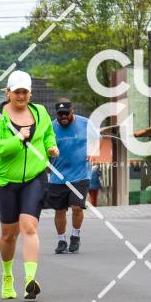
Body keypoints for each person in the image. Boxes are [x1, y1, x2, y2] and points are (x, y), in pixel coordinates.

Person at [0, 70, 58, 300]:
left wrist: (52, 147)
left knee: (29, 226)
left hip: (35, 177)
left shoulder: (40, 112)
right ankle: (8, 276)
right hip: (6, 180)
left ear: (30, 93)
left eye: (25, 92)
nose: (21, 96)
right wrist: (17, 139)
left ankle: (30, 280)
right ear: (8, 92)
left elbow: (48, 135)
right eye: (16, 92)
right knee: (9, 234)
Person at [47, 99, 96, 254]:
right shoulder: (51, 127)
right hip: (58, 176)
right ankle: (61, 240)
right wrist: (49, 151)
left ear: (72, 110)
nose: (63, 117)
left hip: (81, 174)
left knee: (76, 207)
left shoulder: (86, 124)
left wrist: (93, 152)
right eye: (60, 114)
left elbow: (96, 139)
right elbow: (44, 146)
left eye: (66, 113)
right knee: (59, 210)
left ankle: (75, 236)